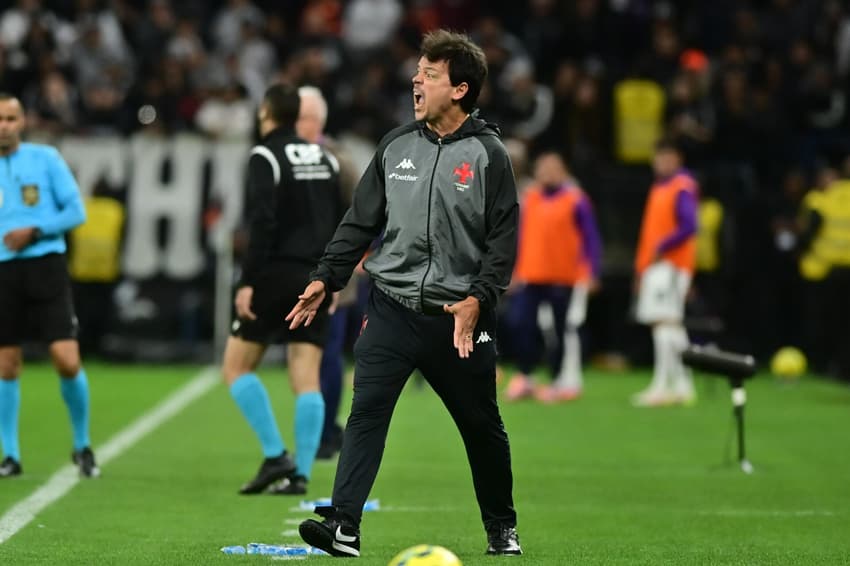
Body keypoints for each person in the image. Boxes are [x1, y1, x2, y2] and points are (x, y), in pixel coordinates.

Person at [287, 29, 522, 558]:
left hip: (459, 317)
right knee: (366, 411)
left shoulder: (489, 155)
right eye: (417, 71)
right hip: (390, 307)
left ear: (460, 89)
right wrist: (326, 276)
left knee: (481, 425)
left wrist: (479, 299)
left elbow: (503, 241)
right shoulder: (395, 146)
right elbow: (360, 221)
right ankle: (344, 526)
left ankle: (501, 526)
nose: (416, 80)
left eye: (430, 74)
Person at [221, 83, 343, 496]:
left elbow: (262, 223)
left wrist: (247, 281)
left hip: (274, 275)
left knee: (236, 367)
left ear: (267, 113)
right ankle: (300, 475)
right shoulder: (326, 159)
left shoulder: (265, 156)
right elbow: (341, 224)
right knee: (306, 377)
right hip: (316, 278)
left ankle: (276, 455)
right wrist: (332, 280)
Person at [0, 93, 99, 479]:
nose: (4, 126)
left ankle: (82, 445)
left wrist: (35, 230)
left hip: (46, 266)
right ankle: (10, 454)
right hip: (3, 272)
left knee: (66, 359)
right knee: (6, 364)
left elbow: (76, 211)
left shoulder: (45, 159)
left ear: (23, 121)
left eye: (11, 118)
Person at [504, 151, 602, 403]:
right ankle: (526, 377)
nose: (547, 173)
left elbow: (591, 238)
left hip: (564, 277)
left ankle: (561, 380)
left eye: (552, 168)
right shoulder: (530, 198)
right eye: (542, 168)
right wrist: (515, 270)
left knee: (561, 330)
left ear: (563, 171)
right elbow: (521, 237)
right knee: (520, 324)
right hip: (531, 275)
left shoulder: (576, 199)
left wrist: (592, 272)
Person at [295, 85, 361, 460]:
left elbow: (364, 211)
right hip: (297, 271)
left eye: (304, 117)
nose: (297, 123)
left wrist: (359, 256)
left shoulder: (338, 160)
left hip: (334, 271)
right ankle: (321, 430)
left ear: (318, 120)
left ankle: (324, 433)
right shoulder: (283, 156)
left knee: (327, 352)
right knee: (302, 355)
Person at [632, 139, 698, 407]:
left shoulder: (682, 186)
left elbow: (689, 225)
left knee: (665, 324)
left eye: (669, 158)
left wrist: (663, 247)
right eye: (660, 158)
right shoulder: (659, 187)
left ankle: (663, 386)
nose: (663, 163)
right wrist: (641, 269)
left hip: (671, 265)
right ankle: (681, 385)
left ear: (678, 159)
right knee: (670, 325)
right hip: (656, 266)